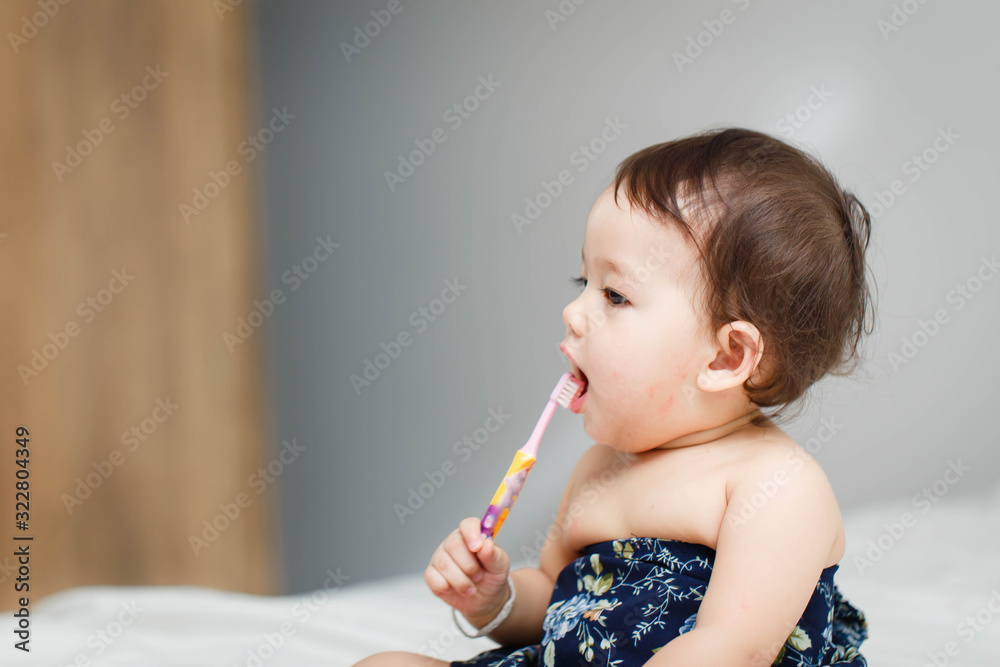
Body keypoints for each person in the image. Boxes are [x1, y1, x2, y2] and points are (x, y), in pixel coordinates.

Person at [355, 127, 875, 666]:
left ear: (725, 358)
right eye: (581, 281)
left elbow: (730, 650)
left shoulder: (775, 487)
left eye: (615, 295)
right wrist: (496, 600)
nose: (573, 313)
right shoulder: (599, 470)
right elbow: (557, 606)